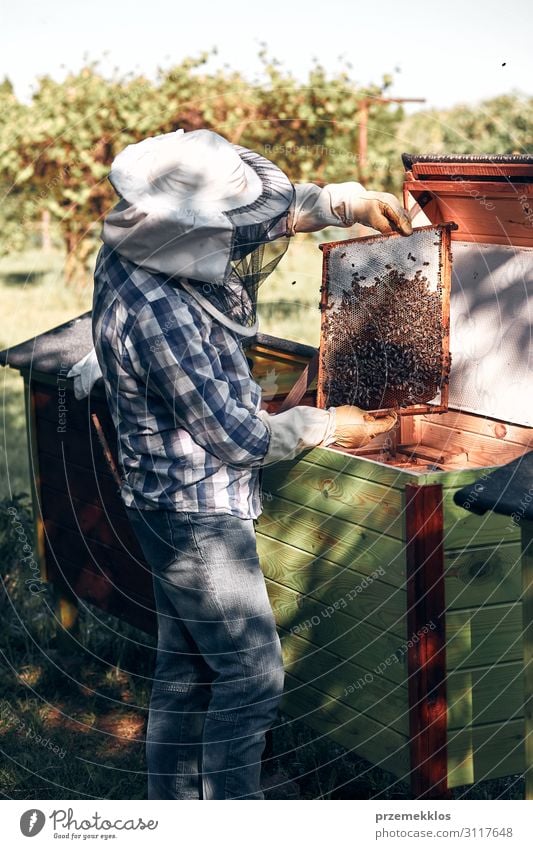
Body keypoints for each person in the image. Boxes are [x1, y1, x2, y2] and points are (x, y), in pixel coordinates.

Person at [71, 128, 411, 800]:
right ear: (193, 227)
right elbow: (235, 436)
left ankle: (173, 812)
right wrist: (325, 423)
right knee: (251, 678)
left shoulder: (149, 239)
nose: (247, 239)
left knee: (190, 670)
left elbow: (265, 216)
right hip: (193, 512)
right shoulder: (159, 309)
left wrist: (349, 203)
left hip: (162, 499)